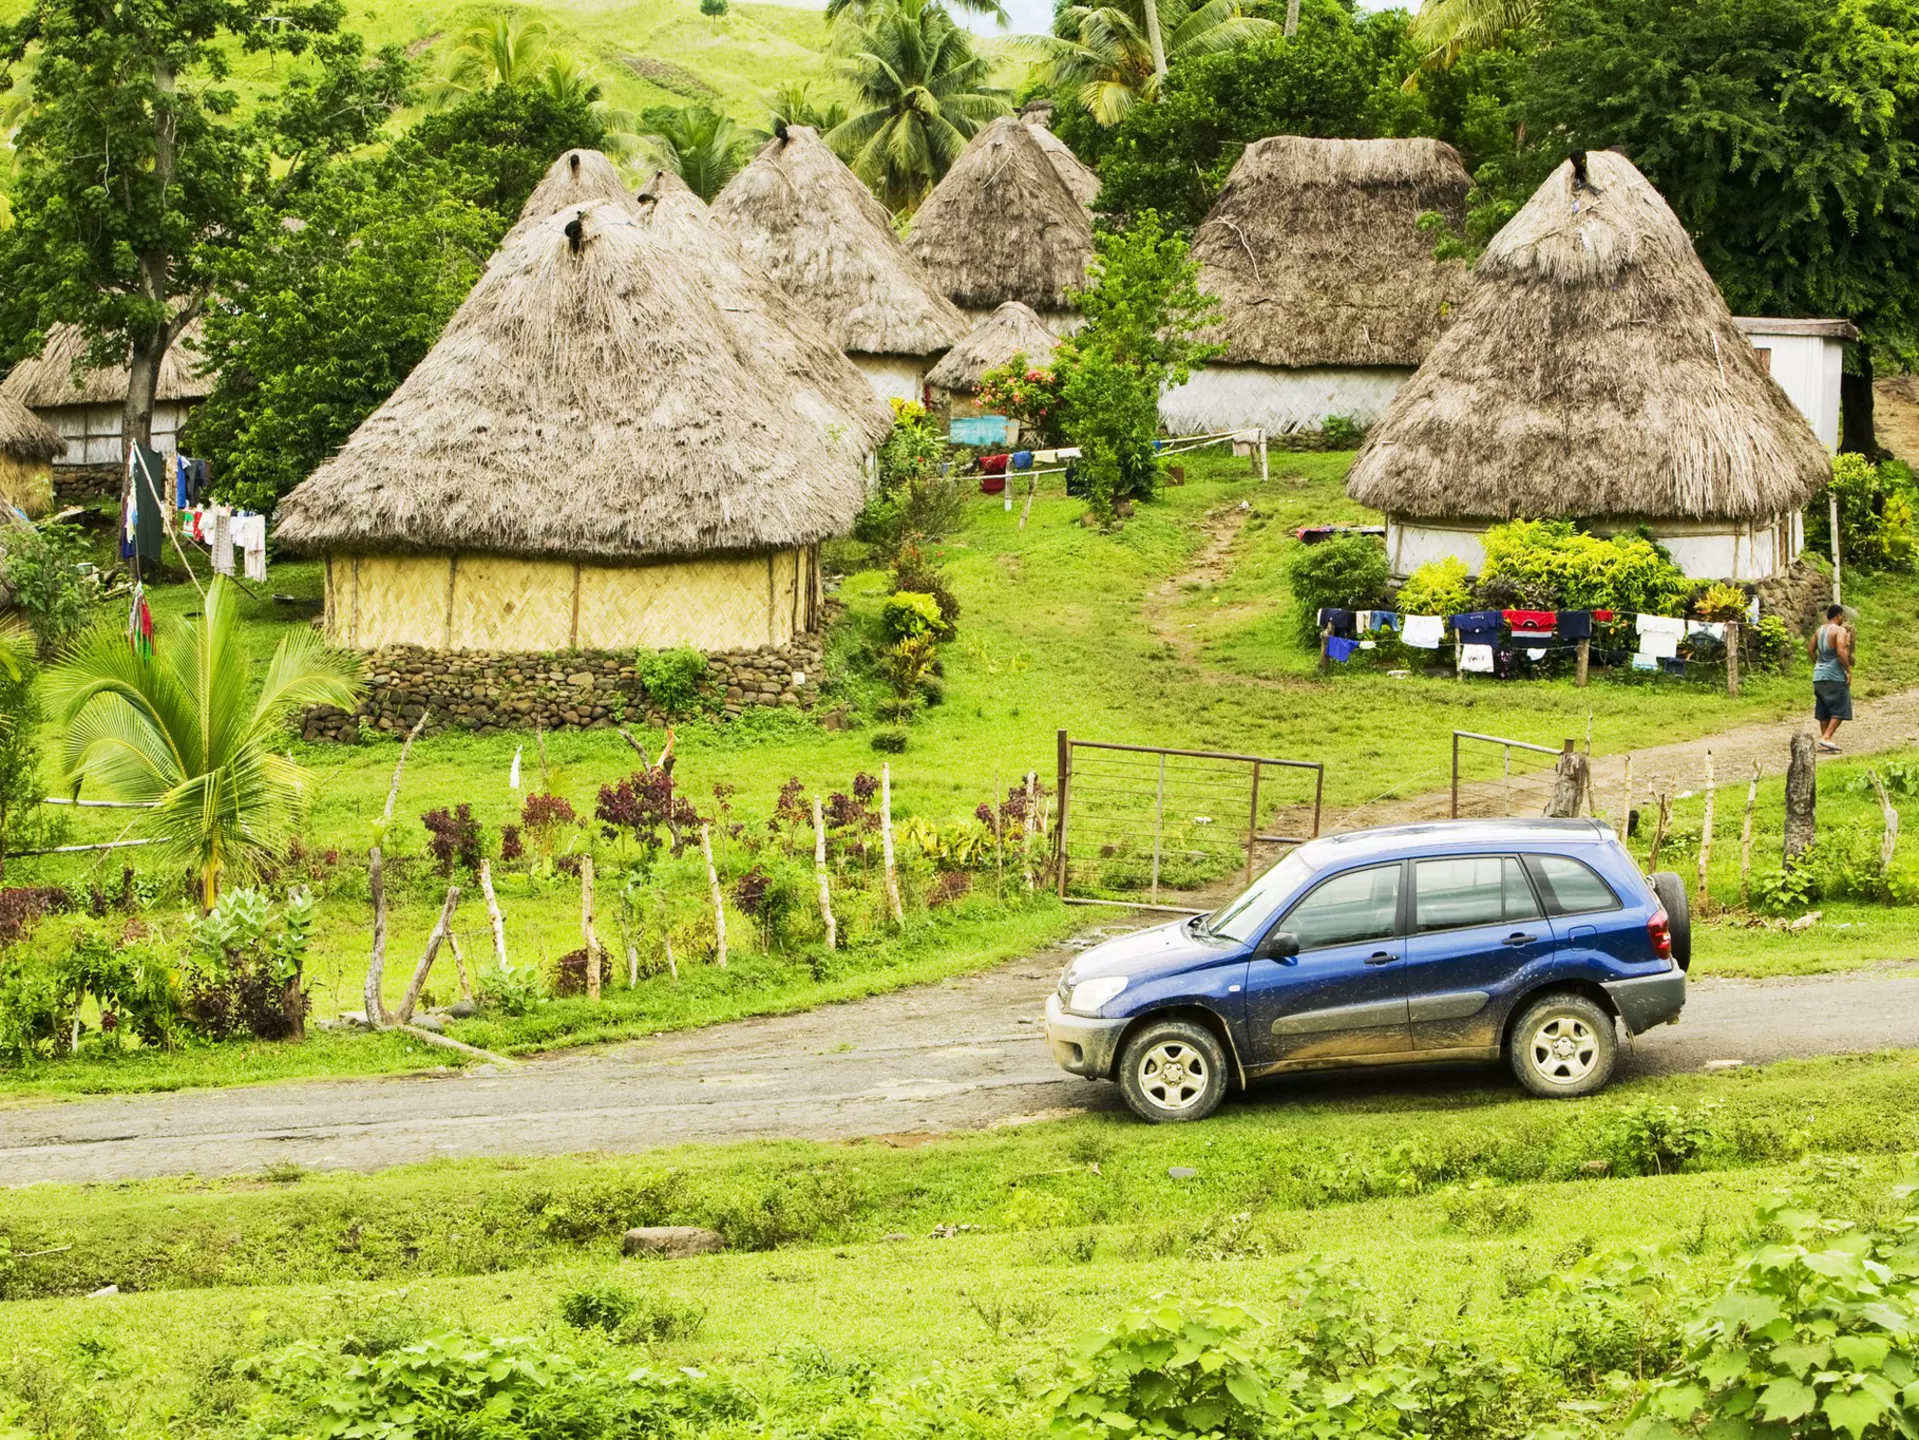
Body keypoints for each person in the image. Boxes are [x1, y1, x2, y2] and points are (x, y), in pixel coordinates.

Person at [1808, 604, 1855, 752]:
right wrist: (1848, 670)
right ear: (1839, 615)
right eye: (1843, 617)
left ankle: (1827, 740)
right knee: (1841, 706)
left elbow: (1810, 650)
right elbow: (1841, 652)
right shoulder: (1839, 630)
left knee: (1824, 709)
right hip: (1834, 675)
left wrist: (1819, 663)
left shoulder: (1819, 630)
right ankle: (1827, 737)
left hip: (1818, 675)